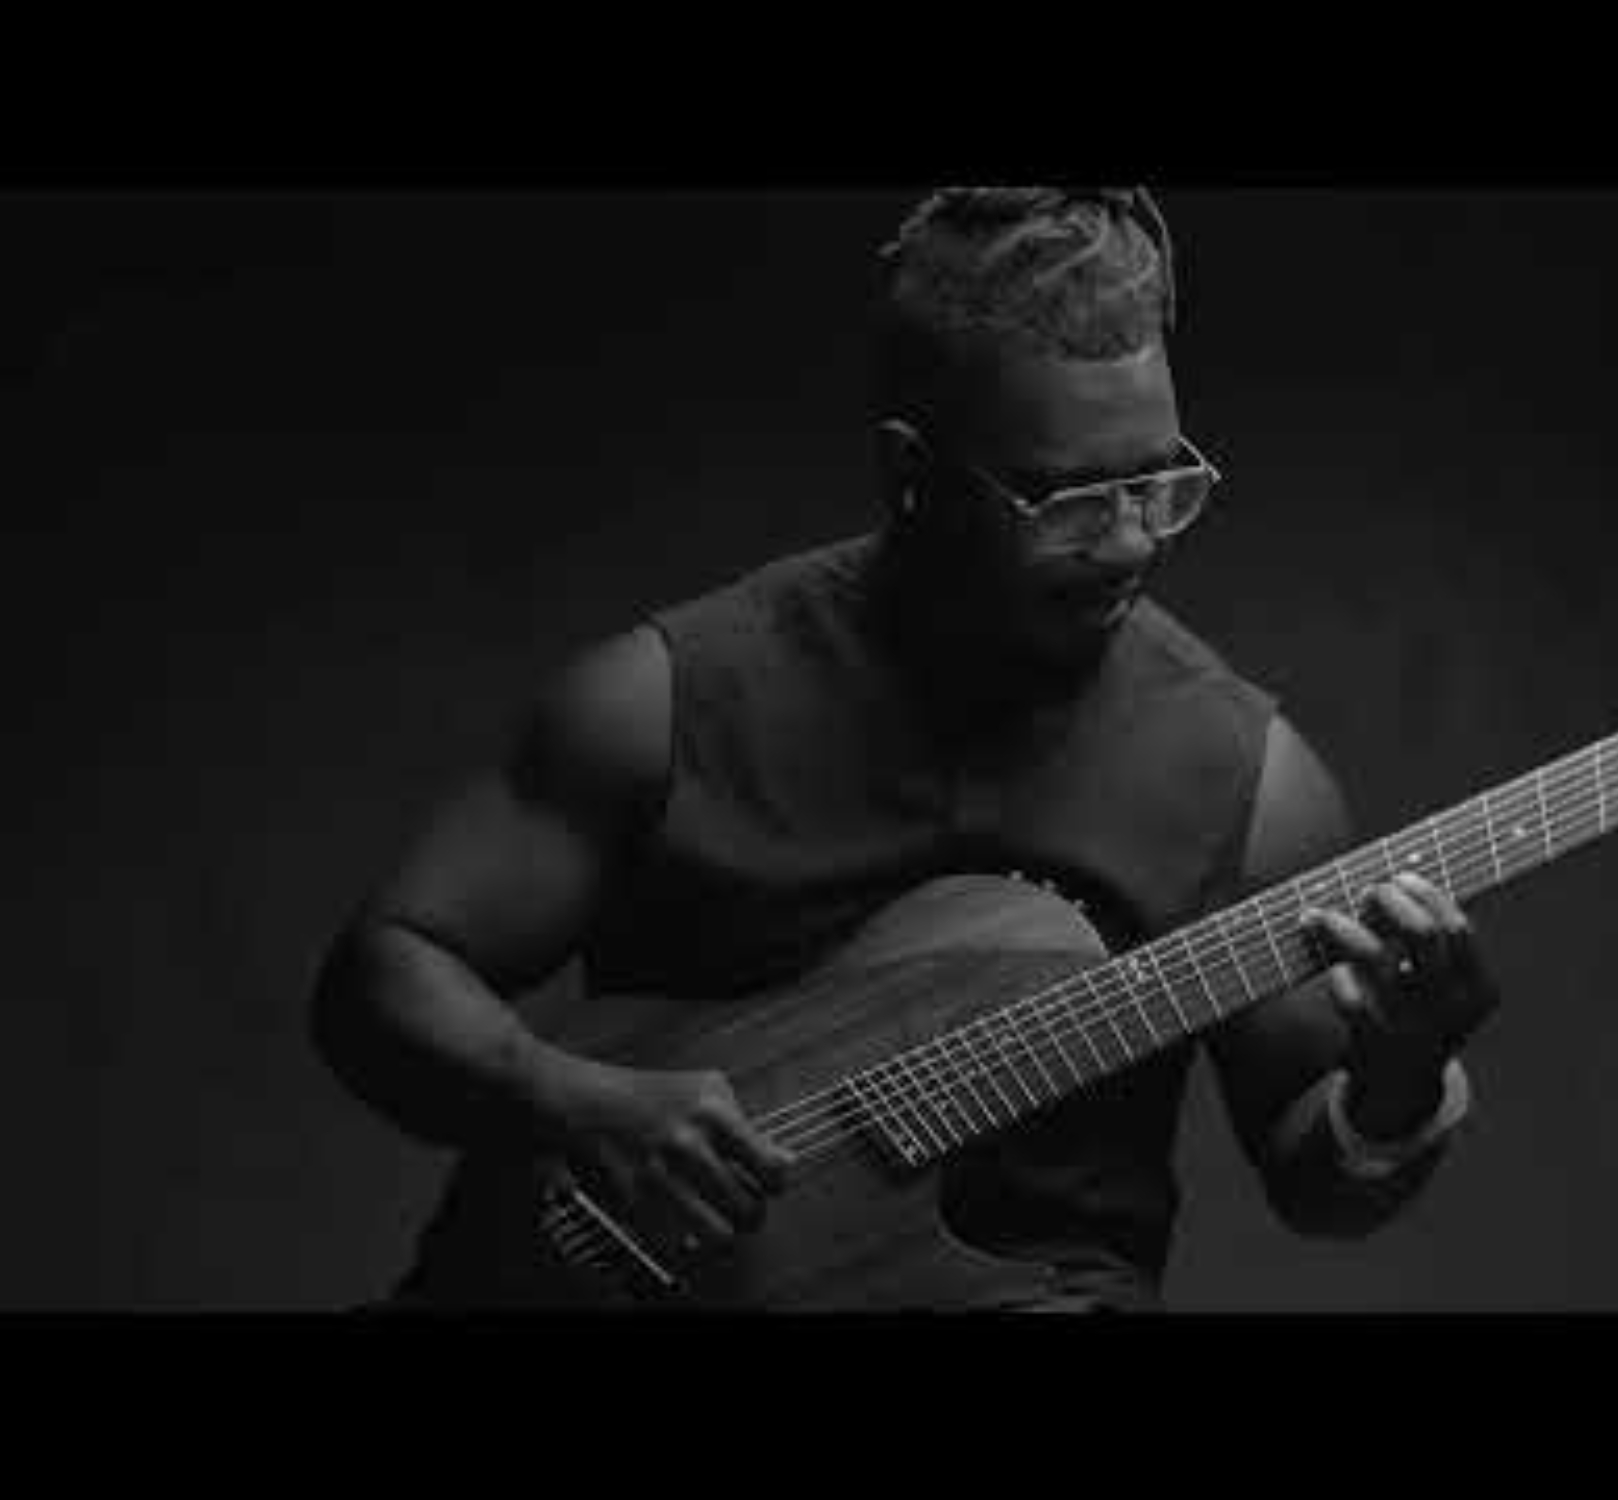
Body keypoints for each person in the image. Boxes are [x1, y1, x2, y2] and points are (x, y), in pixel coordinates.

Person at [311, 186, 1501, 1312]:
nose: (1131, 541)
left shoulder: (1246, 778)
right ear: (912, 471)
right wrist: (568, 1099)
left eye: (1158, 482)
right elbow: (382, 975)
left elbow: (1316, 1181)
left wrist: (1396, 1085)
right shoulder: (666, 702)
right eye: (1067, 502)